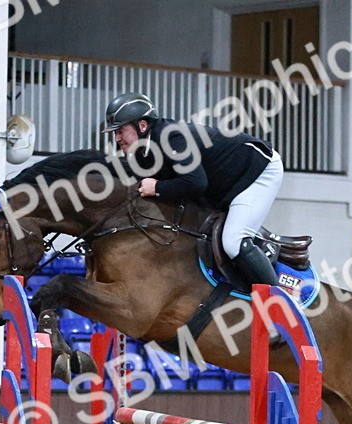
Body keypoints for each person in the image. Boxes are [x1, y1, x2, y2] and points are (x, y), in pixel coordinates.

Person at [102, 91, 282, 287]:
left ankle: (280, 305)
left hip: (257, 170)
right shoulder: (141, 152)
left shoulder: (172, 138)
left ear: (142, 125)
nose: (117, 137)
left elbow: (196, 182)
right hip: (225, 184)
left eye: (120, 131)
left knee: (233, 242)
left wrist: (157, 187)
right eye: (115, 132)